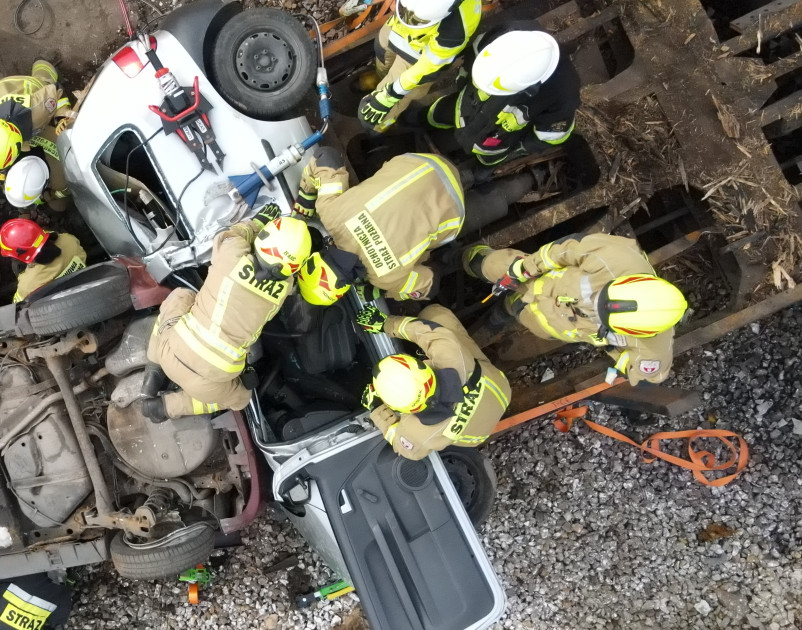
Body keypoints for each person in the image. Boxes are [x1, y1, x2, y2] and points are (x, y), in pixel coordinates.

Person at [141, 206, 312, 421]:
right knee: (241, 397)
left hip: (171, 350)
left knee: (181, 296)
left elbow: (232, 234)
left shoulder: (231, 253)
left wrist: (258, 222)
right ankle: (165, 408)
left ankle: (154, 369)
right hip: (210, 382)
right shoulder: (283, 290)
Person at [463, 233, 688, 385]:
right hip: (541, 279)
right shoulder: (614, 257)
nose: (594, 307)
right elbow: (561, 252)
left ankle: (506, 310)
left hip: (552, 322)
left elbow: (653, 373)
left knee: (518, 312)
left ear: (640, 331)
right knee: (493, 265)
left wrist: (624, 362)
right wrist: (524, 270)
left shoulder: (652, 343)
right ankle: (467, 257)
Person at [295, 149, 464, 301]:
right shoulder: (330, 212)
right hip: (422, 163)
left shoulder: (386, 278)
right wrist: (306, 196)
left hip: (455, 208)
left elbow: (429, 284)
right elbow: (326, 157)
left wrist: (385, 291)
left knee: (422, 252)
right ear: (318, 255)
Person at [354, 304, 511, 460]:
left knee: (434, 319)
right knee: (434, 314)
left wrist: (378, 410)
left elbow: (404, 447)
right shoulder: (452, 357)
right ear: (420, 367)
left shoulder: (419, 433)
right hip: (500, 389)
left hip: (479, 433)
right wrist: (387, 324)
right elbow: (427, 331)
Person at [423, 24, 580, 167]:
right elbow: (475, 50)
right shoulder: (510, 33)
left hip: (496, 142)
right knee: (435, 115)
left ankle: (480, 166)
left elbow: (552, 135)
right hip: (462, 107)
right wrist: (464, 76)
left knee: (484, 164)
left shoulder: (564, 93)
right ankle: (420, 120)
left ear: (528, 86)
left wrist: (520, 148)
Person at [358, 0, 481, 133]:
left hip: (417, 58)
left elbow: (427, 66)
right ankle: (380, 76)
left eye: (416, 20)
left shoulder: (457, 27)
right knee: (382, 49)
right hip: (396, 29)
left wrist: (392, 93)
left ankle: (378, 128)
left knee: (395, 103)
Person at [0, 60, 75, 173]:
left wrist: (61, 117)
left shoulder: (38, 111)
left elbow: (57, 90)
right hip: (0, 86)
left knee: (46, 78)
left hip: (30, 85)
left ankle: (42, 64)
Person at [0, 219, 87, 302]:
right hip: (85, 285)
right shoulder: (69, 240)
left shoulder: (27, 286)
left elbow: (19, 305)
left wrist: (24, 273)